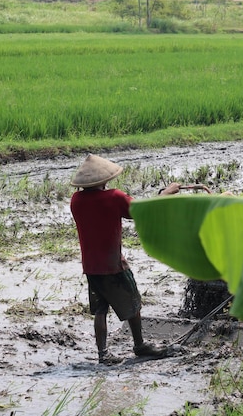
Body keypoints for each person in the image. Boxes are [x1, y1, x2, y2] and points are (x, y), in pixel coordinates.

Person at [69, 154, 180, 365]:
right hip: (113, 264)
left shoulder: (76, 201)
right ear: (104, 179)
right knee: (133, 303)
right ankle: (139, 345)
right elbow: (141, 211)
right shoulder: (113, 197)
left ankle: (103, 353)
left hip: (91, 266)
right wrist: (164, 193)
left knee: (100, 310)